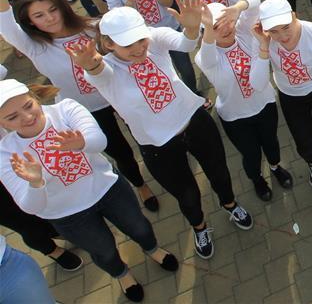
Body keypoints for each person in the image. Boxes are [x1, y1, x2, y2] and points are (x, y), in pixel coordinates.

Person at [69, 0, 254, 260]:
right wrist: (89, 64)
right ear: (109, 44)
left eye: (140, 39)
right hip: (158, 145)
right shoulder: (108, 69)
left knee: (220, 173)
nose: (138, 48)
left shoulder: (154, 39)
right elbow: (96, 71)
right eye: (127, 44)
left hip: (195, 120)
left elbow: (186, 44)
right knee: (187, 195)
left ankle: (230, 204)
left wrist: (191, 29)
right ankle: (199, 226)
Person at [0, 80, 179, 303]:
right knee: (103, 251)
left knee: (139, 226)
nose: (26, 118)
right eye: (12, 117)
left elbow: (100, 142)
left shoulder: (65, 109)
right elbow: (30, 206)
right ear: (1, 123)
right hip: (67, 214)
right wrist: (36, 183)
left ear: (34, 98)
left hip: (107, 188)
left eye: (28, 106)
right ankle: (122, 274)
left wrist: (82, 142)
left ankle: (152, 249)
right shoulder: (6, 153)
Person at [0, 0, 159, 209]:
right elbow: (7, 28)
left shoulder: (92, 28)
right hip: (85, 109)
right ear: (29, 22)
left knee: (144, 134)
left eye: (52, 9)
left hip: (119, 95)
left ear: (62, 5)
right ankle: (140, 184)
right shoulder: (35, 47)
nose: (50, 18)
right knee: (118, 149)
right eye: (39, 16)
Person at [195, 0, 294, 201]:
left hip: (265, 104)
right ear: (205, 34)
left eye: (227, 21)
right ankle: (257, 179)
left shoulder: (246, 33)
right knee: (251, 155)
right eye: (215, 27)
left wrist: (237, 8)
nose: (224, 29)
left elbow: (255, 0)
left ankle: (275, 167)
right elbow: (207, 56)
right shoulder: (205, 58)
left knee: (272, 144)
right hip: (235, 116)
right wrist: (207, 28)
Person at [254, 0, 312, 192]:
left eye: (286, 27)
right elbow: (258, 83)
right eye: (274, 31)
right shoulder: (265, 40)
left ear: (294, 16)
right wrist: (262, 45)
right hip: (290, 95)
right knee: (302, 138)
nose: (283, 36)